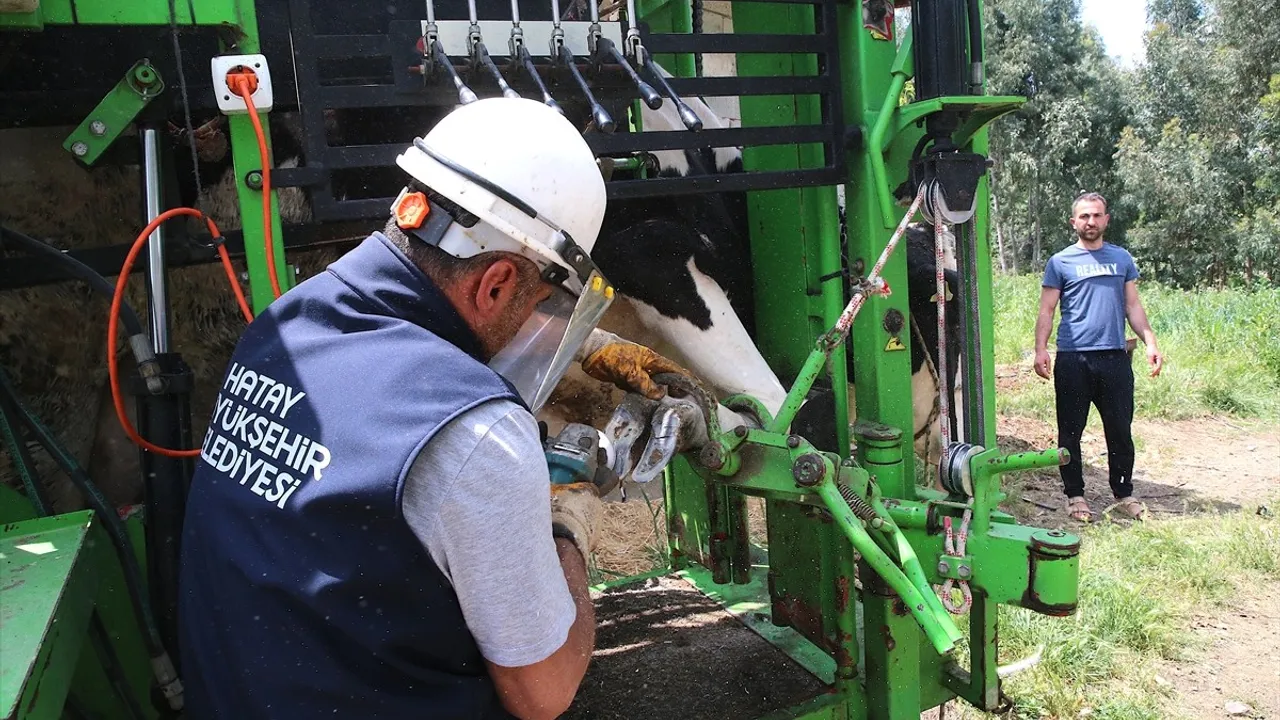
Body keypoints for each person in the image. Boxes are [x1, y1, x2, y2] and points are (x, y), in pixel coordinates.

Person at [177, 97, 694, 720]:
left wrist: (594, 346)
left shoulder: (283, 329)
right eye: (544, 303)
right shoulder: (477, 434)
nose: (539, 326)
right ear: (497, 282)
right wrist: (567, 527)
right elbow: (544, 692)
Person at [1034, 192, 1163, 523]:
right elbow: (1047, 309)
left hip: (1115, 358)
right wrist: (1040, 348)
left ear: (1106, 219)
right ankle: (1074, 494)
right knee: (1071, 431)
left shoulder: (1121, 259)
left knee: (1120, 429)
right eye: (1084, 216)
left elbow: (1132, 305)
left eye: (1096, 215)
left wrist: (1150, 340)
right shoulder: (1060, 262)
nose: (1090, 221)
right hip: (1074, 359)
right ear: (1073, 222)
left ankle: (1124, 493)